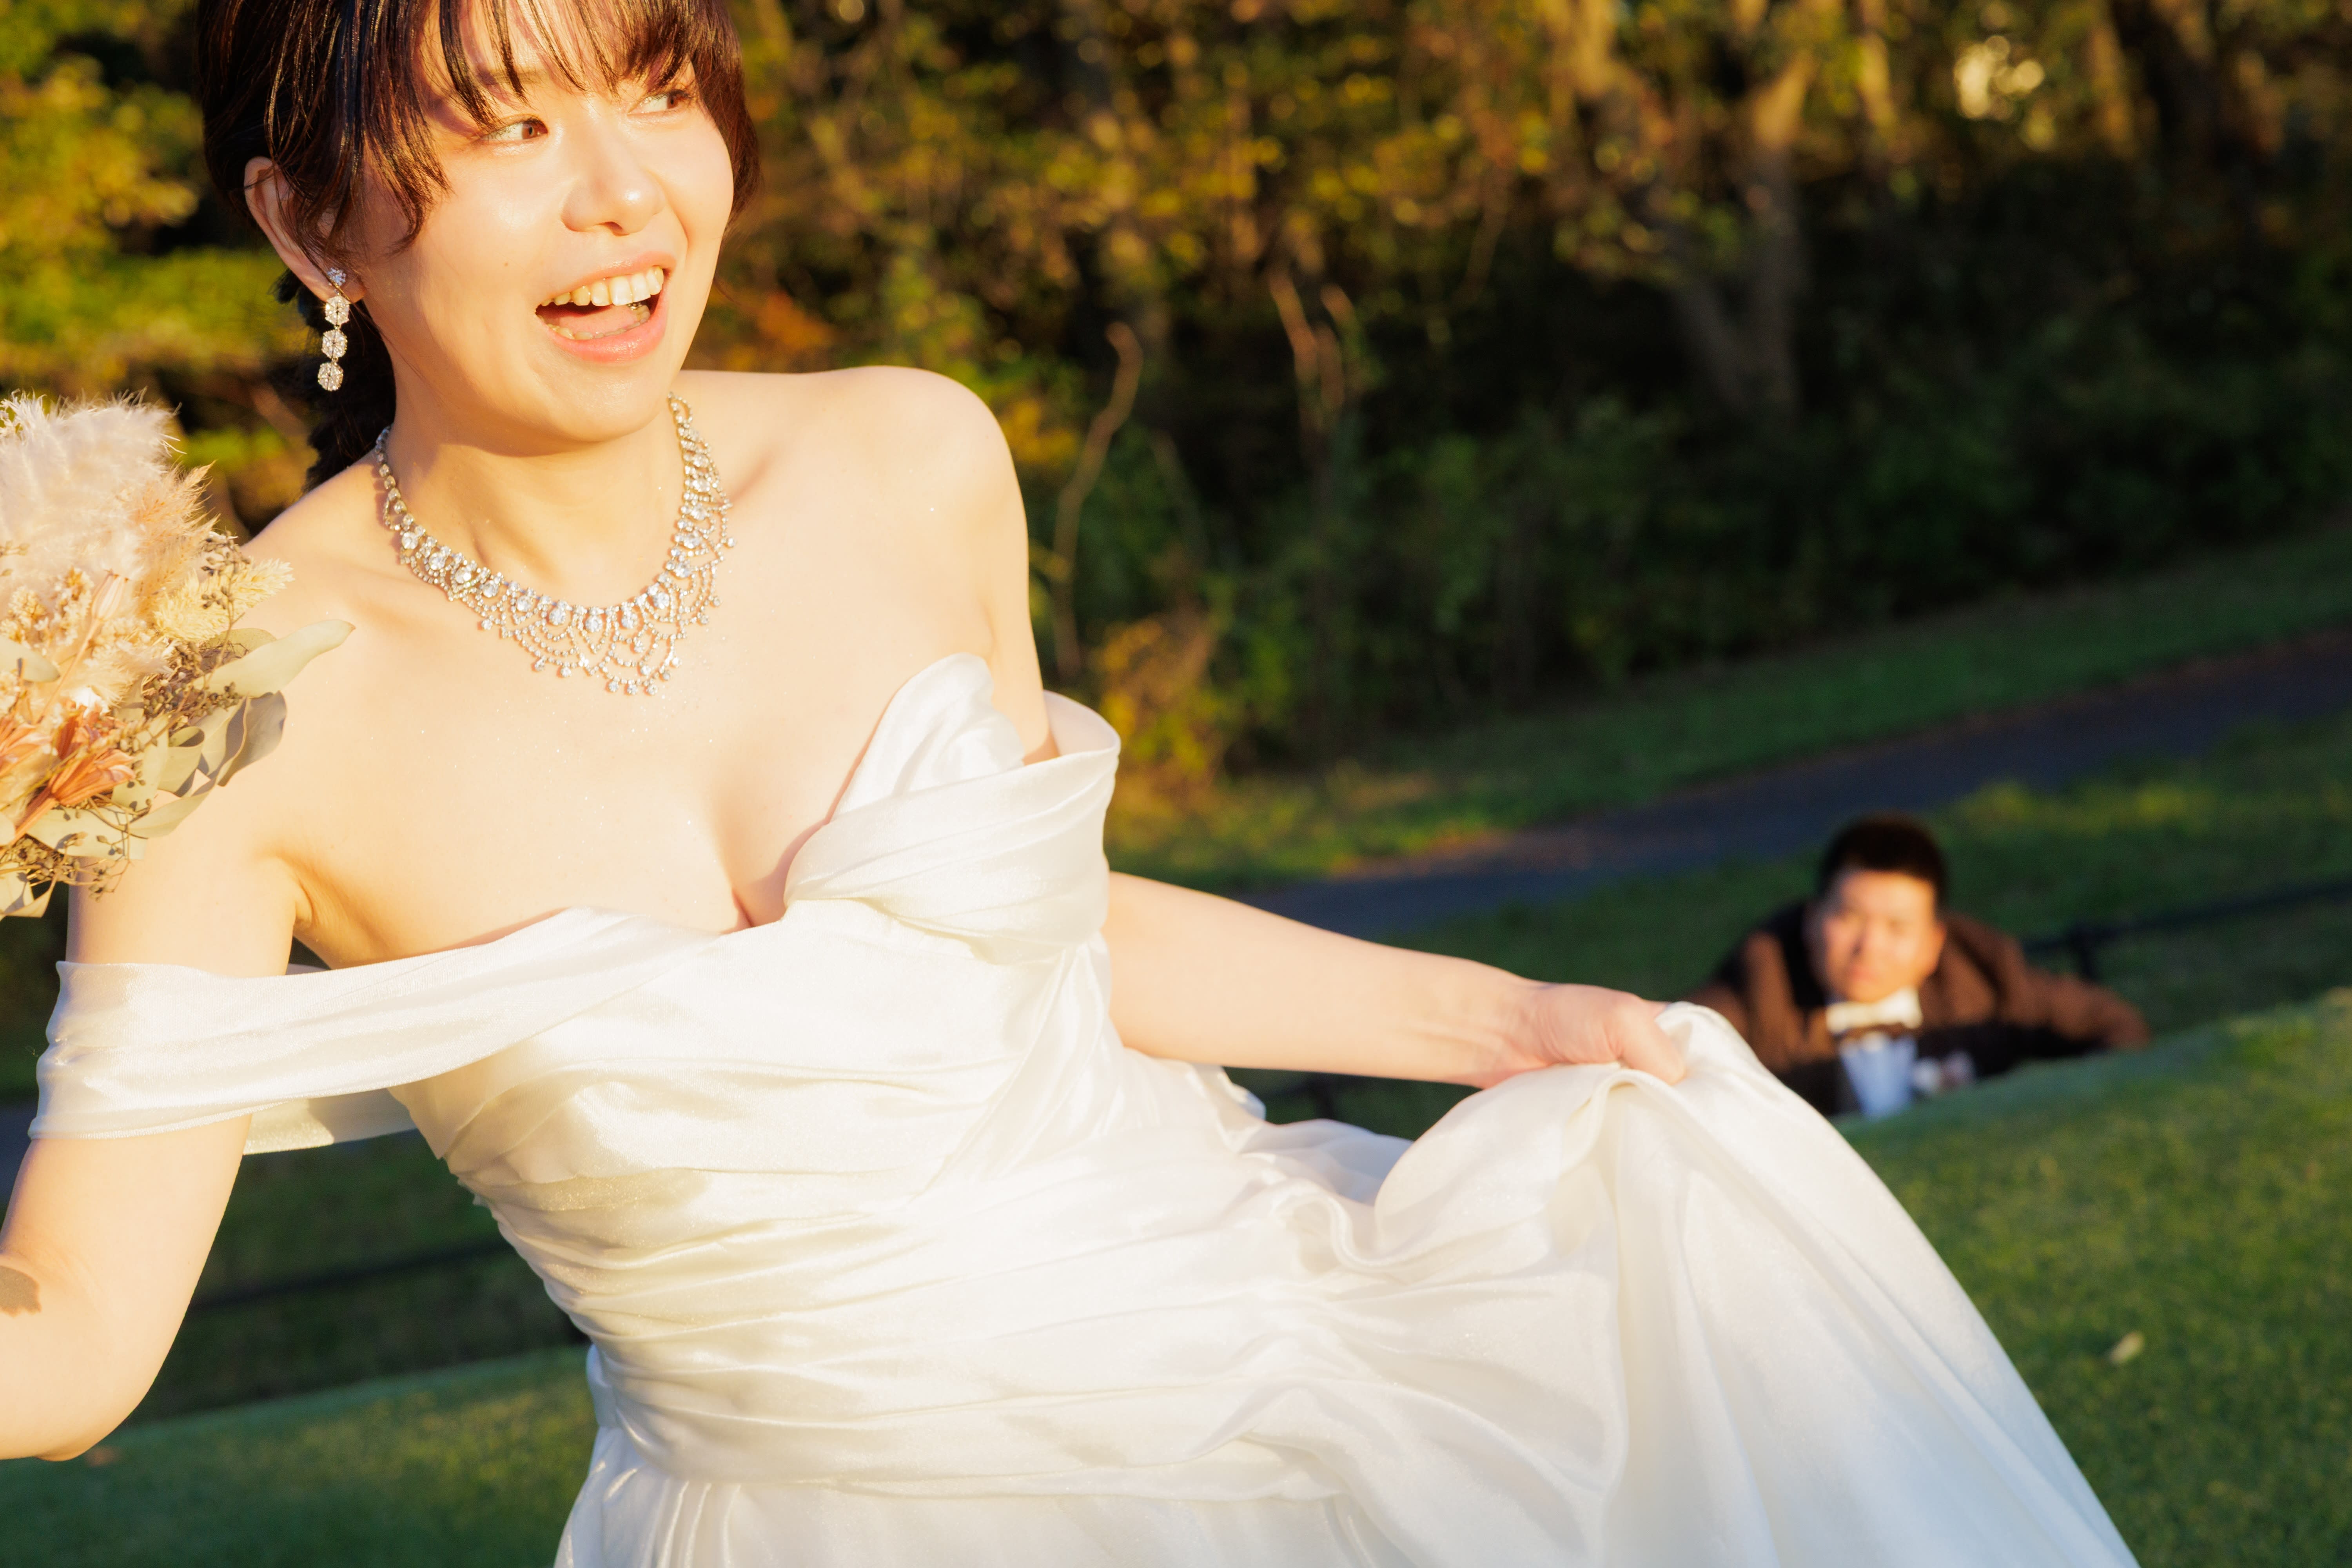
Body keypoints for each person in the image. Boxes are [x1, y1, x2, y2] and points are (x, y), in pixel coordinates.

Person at [0, 1, 2138, 1562]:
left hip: (1287, 1367)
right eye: (507, 120)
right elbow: (80, 1334)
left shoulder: (908, 452)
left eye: (656, 81)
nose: (625, 189)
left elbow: (1045, 927)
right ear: (311, 218)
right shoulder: (221, 713)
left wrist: (1512, 1023)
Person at [1690, 815, 2150, 1119]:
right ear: (1812, 921)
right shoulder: (1756, 995)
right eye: (1849, 918)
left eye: (1897, 927)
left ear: (1933, 944)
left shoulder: (1984, 980)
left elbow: (2113, 1025)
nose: (1869, 947)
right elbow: (1671, 1060)